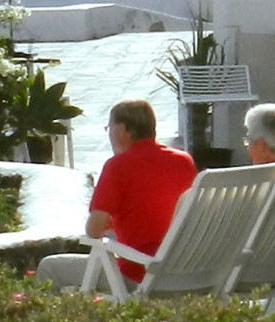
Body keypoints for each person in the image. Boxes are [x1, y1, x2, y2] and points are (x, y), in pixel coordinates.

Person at [84, 97, 197, 282]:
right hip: (183, 270)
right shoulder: (183, 161)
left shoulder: (118, 166)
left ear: (122, 130)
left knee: (51, 267)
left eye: (109, 128)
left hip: (138, 273)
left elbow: (94, 230)